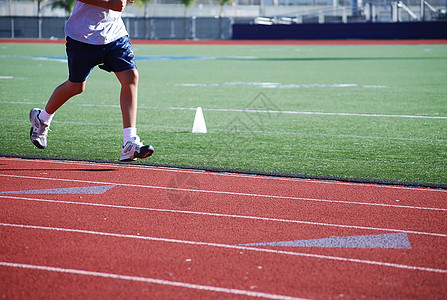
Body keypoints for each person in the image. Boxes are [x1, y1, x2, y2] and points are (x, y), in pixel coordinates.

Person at [29, 0, 154, 162]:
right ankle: (42, 118)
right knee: (76, 86)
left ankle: (129, 143)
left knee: (131, 77)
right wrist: (110, 3)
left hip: (114, 34)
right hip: (82, 36)